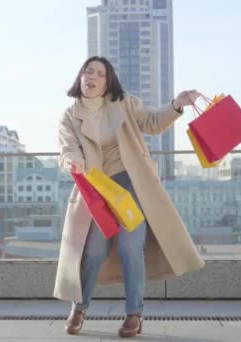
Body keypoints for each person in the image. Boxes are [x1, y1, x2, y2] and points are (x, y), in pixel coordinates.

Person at [54, 56, 205, 338]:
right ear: (80, 77)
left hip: (131, 183)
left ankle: (134, 314)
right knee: (94, 250)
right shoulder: (70, 115)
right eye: (89, 71)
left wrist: (176, 104)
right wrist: (74, 162)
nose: (93, 77)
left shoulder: (124, 103)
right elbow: (67, 149)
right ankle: (79, 307)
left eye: (100, 73)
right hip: (97, 186)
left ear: (107, 81)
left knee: (130, 247)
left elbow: (153, 122)